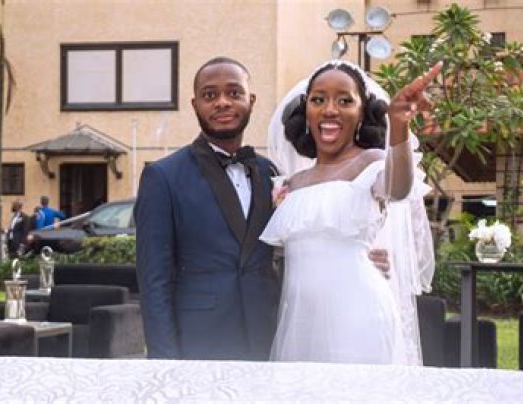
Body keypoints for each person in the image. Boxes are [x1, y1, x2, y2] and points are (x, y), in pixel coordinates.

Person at [134, 57, 390, 360]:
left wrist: (357, 259)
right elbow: (154, 280)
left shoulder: (270, 174)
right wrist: (163, 360)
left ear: (251, 101)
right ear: (195, 104)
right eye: (210, 95)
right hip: (198, 343)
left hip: (268, 337)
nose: (222, 102)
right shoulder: (163, 176)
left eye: (234, 93)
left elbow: (299, 239)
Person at [260, 60, 440, 364]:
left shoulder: (371, 162)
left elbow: (397, 188)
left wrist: (399, 124)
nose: (330, 110)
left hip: (358, 316)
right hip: (300, 321)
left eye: (345, 101)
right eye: (318, 100)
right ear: (306, 112)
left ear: (361, 113)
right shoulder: (292, 184)